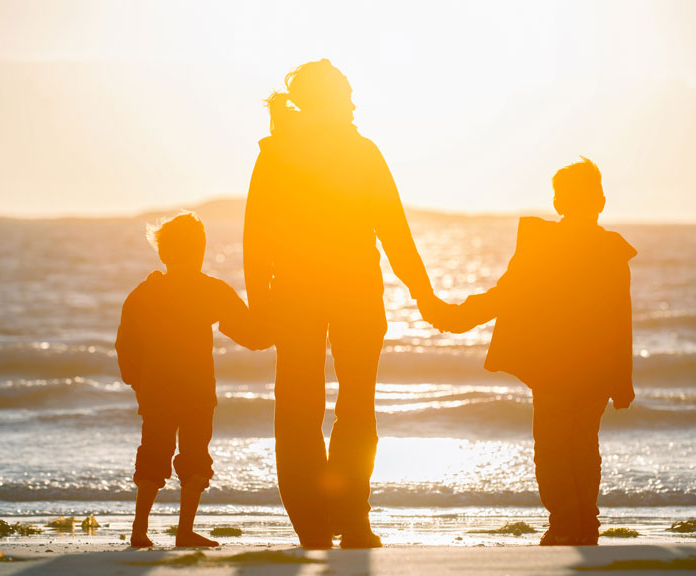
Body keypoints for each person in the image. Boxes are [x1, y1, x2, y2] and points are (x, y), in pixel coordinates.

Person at [244, 59, 437, 549]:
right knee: (348, 410)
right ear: (328, 100)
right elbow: (394, 230)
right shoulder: (354, 152)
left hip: (306, 296)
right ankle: (346, 521)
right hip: (343, 294)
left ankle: (321, 523)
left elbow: (255, 241)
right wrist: (423, 293)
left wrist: (259, 304)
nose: (354, 104)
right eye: (346, 94)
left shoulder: (281, 153)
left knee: (302, 411)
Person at [424, 157, 636, 546]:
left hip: (554, 366)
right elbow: (621, 324)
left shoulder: (546, 245)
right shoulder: (610, 252)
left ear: (558, 204)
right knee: (583, 448)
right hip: (590, 368)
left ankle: (564, 525)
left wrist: (456, 318)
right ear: (601, 202)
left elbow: (505, 295)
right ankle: (583, 524)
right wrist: (622, 380)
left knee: (555, 448)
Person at [116, 212, 269, 548]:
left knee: (153, 453)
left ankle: (139, 530)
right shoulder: (209, 290)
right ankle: (184, 531)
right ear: (200, 250)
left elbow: (126, 342)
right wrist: (282, 315)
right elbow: (252, 336)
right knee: (195, 457)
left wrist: (137, 381)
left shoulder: (145, 292)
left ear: (164, 253)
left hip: (156, 388)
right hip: (197, 390)